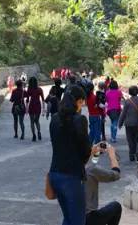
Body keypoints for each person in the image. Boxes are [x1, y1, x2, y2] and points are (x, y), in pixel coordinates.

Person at [49, 85, 93, 225]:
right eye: (81, 102)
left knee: (68, 218)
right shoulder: (80, 120)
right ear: (77, 101)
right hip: (71, 177)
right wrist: (89, 154)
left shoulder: (55, 118)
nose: (82, 105)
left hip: (55, 174)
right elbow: (85, 150)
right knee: (78, 221)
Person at [85, 144, 122, 225]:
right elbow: (116, 174)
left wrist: (95, 154)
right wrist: (112, 155)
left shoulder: (67, 168)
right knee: (116, 206)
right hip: (89, 219)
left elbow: (88, 164)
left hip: (72, 217)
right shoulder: (91, 170)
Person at [118, 85, 138, 162]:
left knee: (130, 140)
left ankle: (132, 155)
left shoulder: (127, 102)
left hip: (128, 124)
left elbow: (123, 114)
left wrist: (120, 123)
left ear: (129, 93)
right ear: (137, 92)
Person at [26, 76, 45, 141]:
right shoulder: (39, 89)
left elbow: (27, 100)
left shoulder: (29, 89)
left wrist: (26, 109)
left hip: (31, 106)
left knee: (32, 122)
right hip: (38, 105)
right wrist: (43, 109)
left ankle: (34, 135)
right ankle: (39, 132)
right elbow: (43, 99)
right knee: (37, 121)